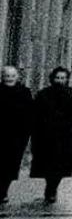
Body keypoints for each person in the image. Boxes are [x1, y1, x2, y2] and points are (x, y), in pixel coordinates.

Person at [30, 67, 72, 204]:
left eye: (63, 78)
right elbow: (37, 113)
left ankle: (52, 188)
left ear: (67, 79)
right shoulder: (43, 94)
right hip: (46, 134)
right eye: (57, 78)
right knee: (48, 163)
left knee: (60, 164)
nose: (60, 81)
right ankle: (50, 187)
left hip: (65, 135)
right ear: (52, 79)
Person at [0, 65, 33, 204]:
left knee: (11, 164)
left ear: (17, 77)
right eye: (7, 76)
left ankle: (3, 191)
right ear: (2, 77)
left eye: (12, 76)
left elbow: (30, 114)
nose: (9, 78)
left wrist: (27, 133)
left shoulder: (24, 92)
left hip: (17, 135)